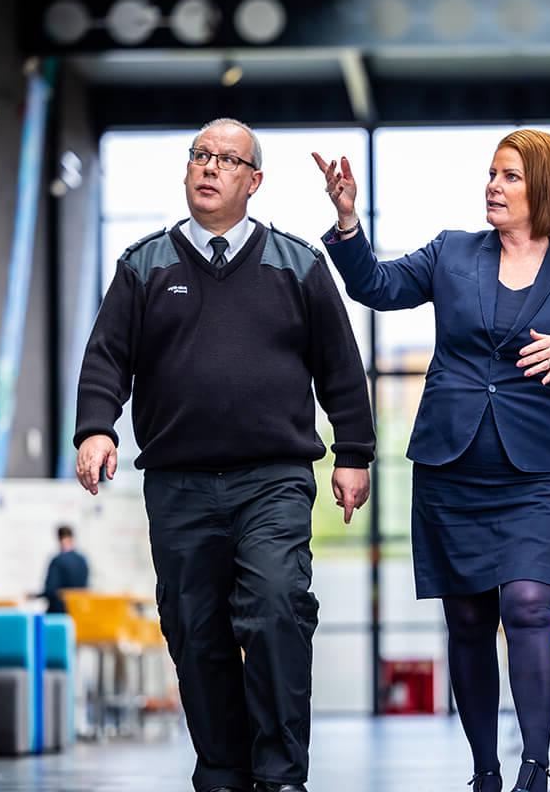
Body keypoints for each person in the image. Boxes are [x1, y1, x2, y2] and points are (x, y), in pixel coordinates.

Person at [312, 129, 550, 792]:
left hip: (539, 473)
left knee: (530, 603)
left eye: (509, 176)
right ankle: (485, 770)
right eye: (491, 173)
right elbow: (376, 285)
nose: (493, 186)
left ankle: (534, 767)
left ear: (545, 189)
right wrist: (346, 220)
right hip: (452, 468)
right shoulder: (452, 252)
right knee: (470, 619)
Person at [74, 118, 374, 792]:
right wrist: (97, 427)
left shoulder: (296, 264)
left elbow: (341, 368)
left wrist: (353, 452)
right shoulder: (143, 266)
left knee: (275, 605)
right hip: (178, 485)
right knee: (194, 628)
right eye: (200, 155)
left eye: (227, 159)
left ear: (253, 181)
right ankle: (223, 770)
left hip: (272, 478)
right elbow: (106, 360)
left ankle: (280, 775)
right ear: (187, 171)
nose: (209, 167)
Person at [40, 525, 89, 614]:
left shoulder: (58, 560)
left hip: (59, 611)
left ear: (58, 538)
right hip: (78, 610)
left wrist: (35, 596)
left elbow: (50, 590)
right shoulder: (82, 560)